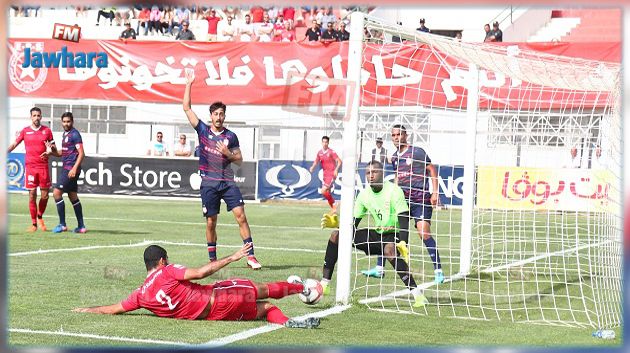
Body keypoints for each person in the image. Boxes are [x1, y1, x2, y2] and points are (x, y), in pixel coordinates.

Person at [73, 244, 320, 329]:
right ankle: (302, 289)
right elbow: (201, 273)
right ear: (161, 261)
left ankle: (287, 321)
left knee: (265, 309)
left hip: (215, 316)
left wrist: (86, 309)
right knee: (262, 289)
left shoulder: (141, 295)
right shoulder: (167, 271)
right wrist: (232, 258)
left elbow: (113, 308)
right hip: (219, 297)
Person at [319, 161, 429, 307]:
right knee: (336, 235)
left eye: (374, 172)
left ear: (382, 173)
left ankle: (418, 296)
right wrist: (340, 225)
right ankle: (324, 284)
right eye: (368, 173)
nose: (371, 176)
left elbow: (403, 218)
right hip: (377, 236)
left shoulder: (394, 190)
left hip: (393, 234)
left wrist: (403, 241)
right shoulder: (364, 195)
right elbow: (353, 223)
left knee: (390, 250)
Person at [183, 69, 262, 269]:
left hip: (227, 182)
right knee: (211, 222)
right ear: (211, 116)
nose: (219, 117)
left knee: (241, 216)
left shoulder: (231, 136)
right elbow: (186, 107)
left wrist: (228, 153)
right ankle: (213, 260)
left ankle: (250, 256)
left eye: (222, 114)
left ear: (224, 116)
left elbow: (240, 160)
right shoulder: (202, 130)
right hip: (208, 183)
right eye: (216, 114)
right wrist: (189, 83)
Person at [363, 125, 444, 284]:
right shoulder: (394, 157)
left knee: (424, 233)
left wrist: (435, 192)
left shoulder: (417, 152)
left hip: (420, 199)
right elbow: (398, 178)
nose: (396, 137)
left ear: (405, 135)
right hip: (403, 201)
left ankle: (438, 271)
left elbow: (432, 170)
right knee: (387, 228)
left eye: (399, 134)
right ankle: (379, 268)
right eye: (393, 135)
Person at [7, 107, 56, 232]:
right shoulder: (25, 131)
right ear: (31, 117)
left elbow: (54, 148)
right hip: (30, 167)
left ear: (41, 116)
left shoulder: (47, 131)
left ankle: (40, 216)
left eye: (38, 115)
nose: (36, 118)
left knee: (45, 196)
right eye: (34, 115)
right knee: (32, 194)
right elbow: (14, 144)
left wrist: (49, 151)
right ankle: (34, 224)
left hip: (43, 167)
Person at [47, 112, 87, 234]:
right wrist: (51, 152)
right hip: (68, 167)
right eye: (64, 121)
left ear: (72, 122)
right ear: (61, 122)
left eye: (68, 121)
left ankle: (62, 224)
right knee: (72, 196)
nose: (66, 124)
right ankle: (81, 226)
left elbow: (81, 153)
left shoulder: (75, 134)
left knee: (56, 193)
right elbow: (62, 153)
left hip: (70, 168)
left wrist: (74, 168)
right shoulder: (65, 134)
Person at [309, 136, 342, 214]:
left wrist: (336, 170)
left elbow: (339, 161)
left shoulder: (331, 152)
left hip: (331, 174)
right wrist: (312, 167)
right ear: (321, 142)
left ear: (328, 143)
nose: (324, 143)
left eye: (326, 142)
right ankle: (333, 210)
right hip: (325, 175)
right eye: (323, 142)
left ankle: (334, 204)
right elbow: (316, 161)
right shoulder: (319, 152)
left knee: (323, 191)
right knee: (328, 192)